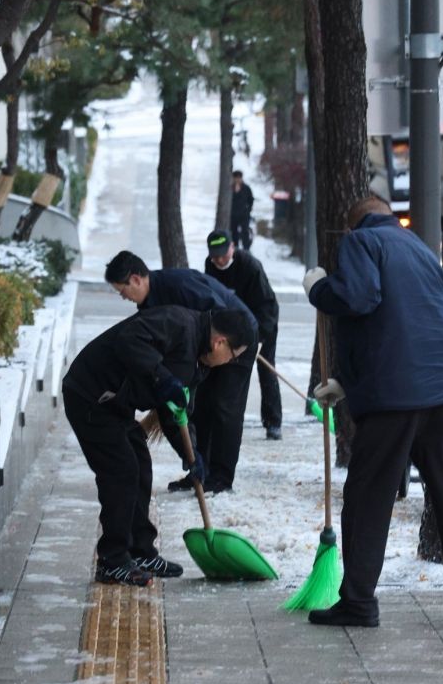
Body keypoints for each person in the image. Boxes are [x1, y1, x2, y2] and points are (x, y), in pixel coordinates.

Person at [303, 194, 443, 629]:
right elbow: (400, 320)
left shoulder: (361, 243)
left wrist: (319, 288)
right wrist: (347, 385)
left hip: (396, 397)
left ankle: (357, 603)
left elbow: (359, 297)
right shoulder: (423, 251)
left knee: (367, 498)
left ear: (356, 226)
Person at [63, 305, 255, 586]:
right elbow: (129, 339)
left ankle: (141, 551)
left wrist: (192, 456)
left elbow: (174, 413)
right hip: (90, 396)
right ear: (220, 342)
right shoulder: (178, 323)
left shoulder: (198, 362)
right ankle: (112, 561)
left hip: (116, 404)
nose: (229, 362)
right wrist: (160, 375)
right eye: (233, 356)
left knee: (140, 463)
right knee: (122, 471)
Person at [104, 250, 258, 493]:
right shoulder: (148, 304)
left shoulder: (179, 285)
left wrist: (212, 356)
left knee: (224, 407)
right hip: (207, 350)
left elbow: (221, 317)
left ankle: (221, 478)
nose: (124, 297)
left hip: (235, 340)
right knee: (199, 407)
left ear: (135, 279)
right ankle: (199, 469)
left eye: (123, 291)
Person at [205, 228, 282, 439]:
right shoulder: (210, 265)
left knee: (266, 370)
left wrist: (260, 340)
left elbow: (266, 306)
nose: (219, 260)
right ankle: (221, 418)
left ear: (232, 247)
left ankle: (273, 422)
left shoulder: (250, 267)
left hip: (262, 322)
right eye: (215, 255)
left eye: (223, 253)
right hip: (232, 325)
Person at [230, 170, 254, 250]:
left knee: (245, 232)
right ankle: (235, 248)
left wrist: (249, 210)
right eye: (235, 178)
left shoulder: (246, 188)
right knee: (234, 232)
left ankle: (246, 248)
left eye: (238, 178)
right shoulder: (230, 188)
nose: (237, 179)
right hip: (233, 215)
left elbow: (251, 200)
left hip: (244, 214)